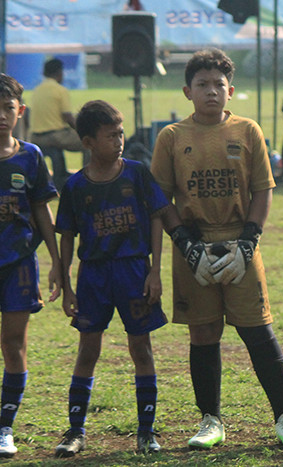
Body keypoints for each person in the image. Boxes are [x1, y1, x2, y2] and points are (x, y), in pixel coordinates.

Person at [150, 48, 283, 450]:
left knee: (258, 329)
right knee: (203, 333)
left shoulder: (248, 130)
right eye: (202, 85)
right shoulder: (172, 137)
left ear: (230, 90)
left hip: (240, 241)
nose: (211, 92)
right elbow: (159, 201)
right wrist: (184, 245)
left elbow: (263, 190)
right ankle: (210, 419)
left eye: (218, 85)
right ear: (188, 91)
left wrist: (249, 240)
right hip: (192, 245)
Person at [53, 100, 169, 456]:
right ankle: (75, 431)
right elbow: (68, 236)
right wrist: (68, 286)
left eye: (120, 133)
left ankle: (146, 432)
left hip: (134, 270)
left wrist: (155, 270)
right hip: (94, 276)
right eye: (110, 136)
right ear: (88, 142)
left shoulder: (136, 173)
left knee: (141, 348)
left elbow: (156, 218)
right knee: (88, 349)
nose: (119, 141)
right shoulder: (75, 186)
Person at [0, 74, 60, 457]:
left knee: (13, 343)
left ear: (20, 111)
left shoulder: (31, 156)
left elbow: (41, 211)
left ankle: (5, 427)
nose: (2, 116)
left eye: (7, 108)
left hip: (18, 264)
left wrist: (57, 261)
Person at [30, 58, 84, 189]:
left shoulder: (36, 90)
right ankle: (89, 178)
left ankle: (61, 174)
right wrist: (83, 131)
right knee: (90, 143)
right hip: (55, 136)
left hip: (35, 137)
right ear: (60, 73)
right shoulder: (60, 90)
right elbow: (68, 117)